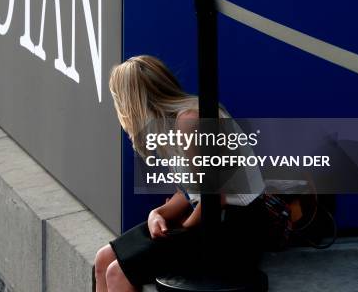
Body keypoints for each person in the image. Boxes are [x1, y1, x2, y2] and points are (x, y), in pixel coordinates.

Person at [94, 55, 268, 292]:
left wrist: (181, 228)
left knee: (117, 272)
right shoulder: (167, 125)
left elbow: (214, 198)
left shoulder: (190, 121)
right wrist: (157, 213)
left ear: (130, 102)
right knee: (102, 260)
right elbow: (188, 193)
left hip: (235, 227)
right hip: (210, 216)